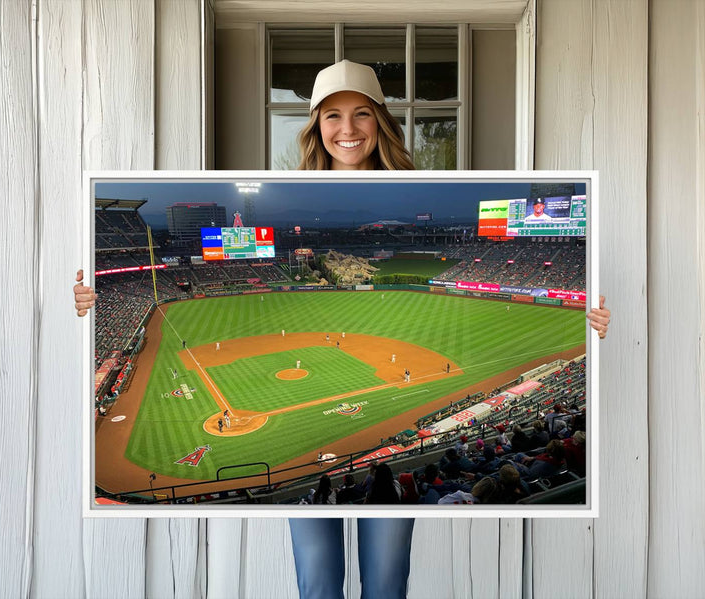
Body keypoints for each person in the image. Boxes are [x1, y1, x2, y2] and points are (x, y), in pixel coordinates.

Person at [72, 59, 611, 599]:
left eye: (360, 114)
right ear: (315, 126)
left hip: (381, 492)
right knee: (318, 584)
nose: (347, 129)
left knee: (385, 583)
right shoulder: (284, 180)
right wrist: (84, 302)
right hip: (351, 487)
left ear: (381, 120)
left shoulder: (429, 182)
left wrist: (598, 321)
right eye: (332, 116)